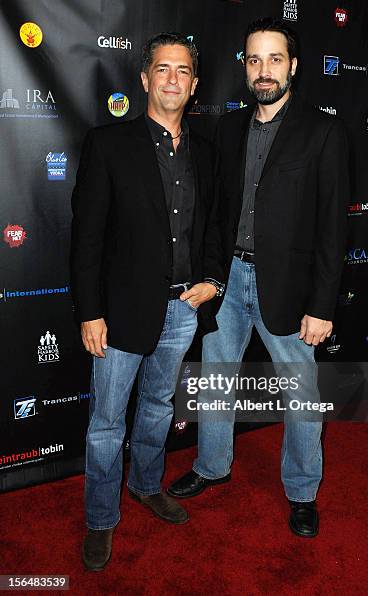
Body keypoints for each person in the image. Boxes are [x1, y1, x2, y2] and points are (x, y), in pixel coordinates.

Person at [168, 17, 350, 538]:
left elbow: (333, 229)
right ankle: (211, 466)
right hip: (228, 281)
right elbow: (216, 215)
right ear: (244, 67)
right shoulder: (227, 129)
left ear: (293, 65)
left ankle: (301, 492)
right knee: (217, 380)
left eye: (274, 59)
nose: (264, 71)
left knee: (301, 395)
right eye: (254, 60)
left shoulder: (324, 131)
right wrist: (209, 275)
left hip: (290, 289)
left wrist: (323, 306)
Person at [70, 32, 224, 571]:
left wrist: (214, 280)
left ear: (195, 83)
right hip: (120, 312)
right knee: (107, 423)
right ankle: (100, 517)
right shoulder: (108, 144)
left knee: (159, 407)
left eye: (182, 71)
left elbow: (216, 227)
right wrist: (90, 311)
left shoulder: (206, 150)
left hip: (182, 308)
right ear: (144, 79)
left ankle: (145, 485)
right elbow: (86, 237)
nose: (172, 80)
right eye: (162, 69)